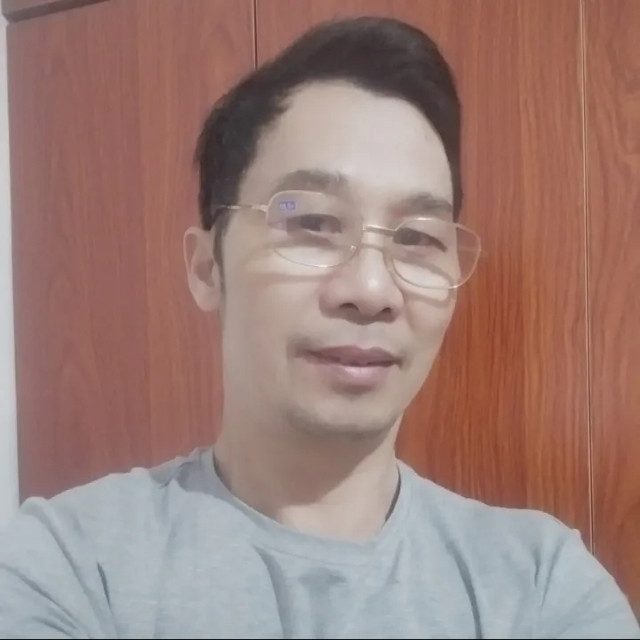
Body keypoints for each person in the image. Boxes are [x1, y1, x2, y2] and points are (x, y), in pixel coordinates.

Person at [0, 16, 638, 640]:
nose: (371, 291)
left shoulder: (541, 585)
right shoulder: (70, 569)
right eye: (311, 223)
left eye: (418, 238)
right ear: (206, 268)